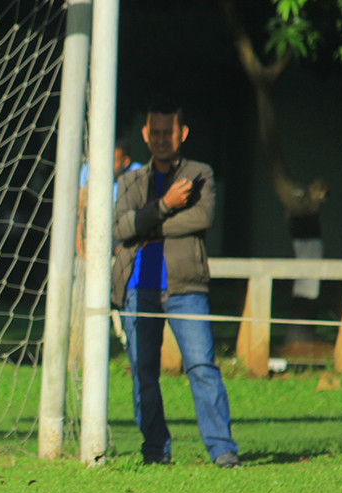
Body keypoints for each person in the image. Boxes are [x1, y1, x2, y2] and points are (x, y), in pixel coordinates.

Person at [111, 104, 240, 468]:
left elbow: (201, 218)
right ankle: (155, 450)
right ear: (145, 135)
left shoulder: (200, 174)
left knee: (201, 367)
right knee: (144, 372)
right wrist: (166, 205)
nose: (161, 139)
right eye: (155, 132)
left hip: (186, 289)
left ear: (182, 133)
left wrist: (147, 222)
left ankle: (223, 450)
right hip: (138, 287)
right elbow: (119, 228)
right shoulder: (130, 182)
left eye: (168, 132)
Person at [76, 139, 142, 257]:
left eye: (112, 162)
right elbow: (81, 210)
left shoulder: (137, 173)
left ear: (125, 162)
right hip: (96, 224)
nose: (105, 166)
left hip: (123, 226)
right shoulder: (89, 170)